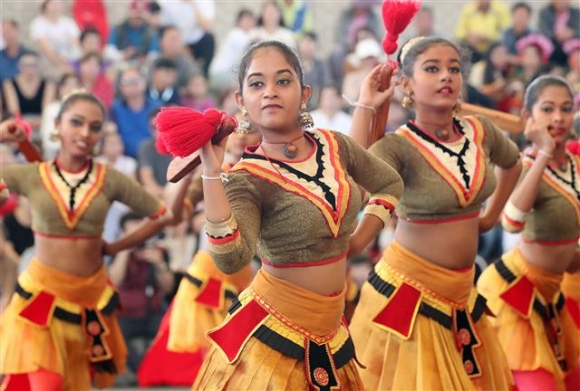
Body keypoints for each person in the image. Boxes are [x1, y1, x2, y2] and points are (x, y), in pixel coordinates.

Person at [189, 39, 402, 390]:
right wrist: (212, 173)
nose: (270, 92)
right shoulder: (247, 178)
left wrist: (360, 240)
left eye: (283, 81)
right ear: (241, 101)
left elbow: (389, 183)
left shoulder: (336, 145)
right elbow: (231, 260)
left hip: (331, 332)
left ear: (304, 94)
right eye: (257, 84)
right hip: (272, 335)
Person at [348, 36, 522, 390]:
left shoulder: (480, 131)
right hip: (410, 294)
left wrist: (491, 217)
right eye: (433, 69)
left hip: (462, 292)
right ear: (406, 84)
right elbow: (353, 177)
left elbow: (513, 163)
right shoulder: (398, 146)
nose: (446, 76)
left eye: (454, 69)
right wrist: (366, 105)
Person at [0, 92, 184, 390]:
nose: (85, 133)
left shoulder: (110, 178)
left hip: (90, 299)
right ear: (57, 124)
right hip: (40, 299)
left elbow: (163, 216)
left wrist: (116, 247)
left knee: (80, 384)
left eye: (95, 127)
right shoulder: (31, 175)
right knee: (47, 383)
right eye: (76, 122)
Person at [477, 75, 580, 390]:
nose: (559, 118)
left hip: (553, 293)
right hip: (513, 292)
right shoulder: (525, 165)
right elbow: (511, 221)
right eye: (548, 109)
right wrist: (544, 152)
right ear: (528, 117)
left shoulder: (575, 164)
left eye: (566, 109)